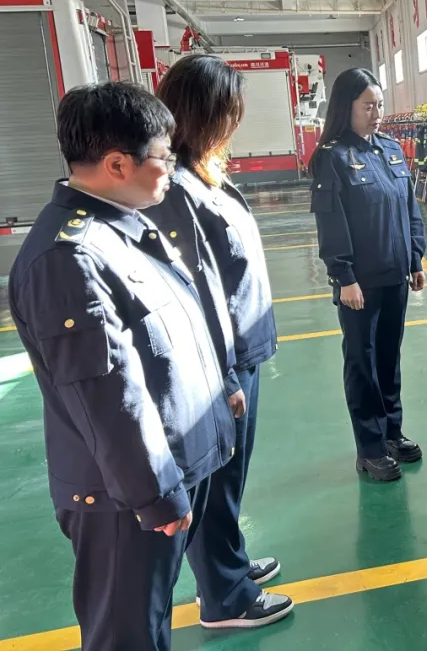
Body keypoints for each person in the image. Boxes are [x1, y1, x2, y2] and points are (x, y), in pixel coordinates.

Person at [7, 82, 236, 651]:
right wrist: (153, 494)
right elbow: (108, 398)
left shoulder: (121, 226)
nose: (170, 169)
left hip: (155, 477)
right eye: (163, 156)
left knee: (148, 623)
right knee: (126, 636)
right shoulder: (70, 259)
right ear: (116, 164)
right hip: (122, 497)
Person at [148, 55, 293, 629]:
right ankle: (225, 598)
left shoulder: (202, 174)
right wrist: (226, 375)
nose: (236, 122)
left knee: (232, 475)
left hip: (240, 354)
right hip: (219, 365)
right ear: (202, 113)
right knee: (218, 477)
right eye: (229, 111)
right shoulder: (178, 190)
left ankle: (227, 564)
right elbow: (197, 291)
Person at [311, 68, 427, 482]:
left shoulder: (391, 150)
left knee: (389, 358)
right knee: (363, 363)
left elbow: (409, 208)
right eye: (367, 107)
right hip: (359, 283)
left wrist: (415, 259)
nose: (376, 114)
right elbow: (332, 224)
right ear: (347, 107)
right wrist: (344, 277)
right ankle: (370, 447)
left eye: (379, 105)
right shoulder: (333, 158)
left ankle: (392, 431)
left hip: (396, 276)